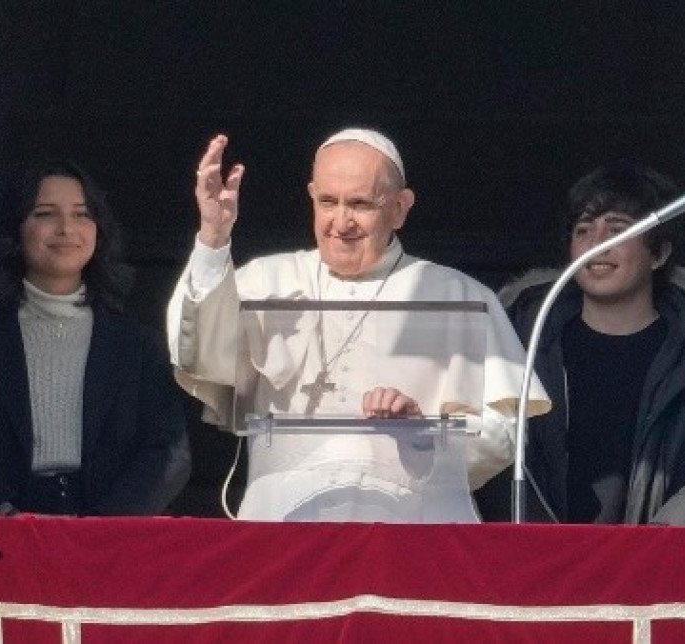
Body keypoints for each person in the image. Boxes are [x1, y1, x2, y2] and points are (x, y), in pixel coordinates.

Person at [166, 128, 548, 521]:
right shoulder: (264, 282)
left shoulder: (460, 296)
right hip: (283, 521)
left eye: (360, 204)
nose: (341, 221)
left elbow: (504, 430)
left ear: (400, 208)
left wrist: (426, 435)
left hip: (412, 526)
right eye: (328, 202)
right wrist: (213, 238)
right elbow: (198, 354)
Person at [491, 162, 685, 525]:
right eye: (583, 230)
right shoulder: (524, 340)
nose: (597, 243)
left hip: (657, 567)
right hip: (540, 566)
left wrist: (655, 544)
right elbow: (488, 456)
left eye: (618, 229)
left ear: (659, 254)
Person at [0, 160, 191, 516]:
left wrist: (105, 525)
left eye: (82, 214)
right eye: (45, 213)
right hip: (5, 528)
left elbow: (168, 454)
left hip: (110, 531)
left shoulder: (137, 345)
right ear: (16, 229)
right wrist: (3, 511)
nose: (66, 228)